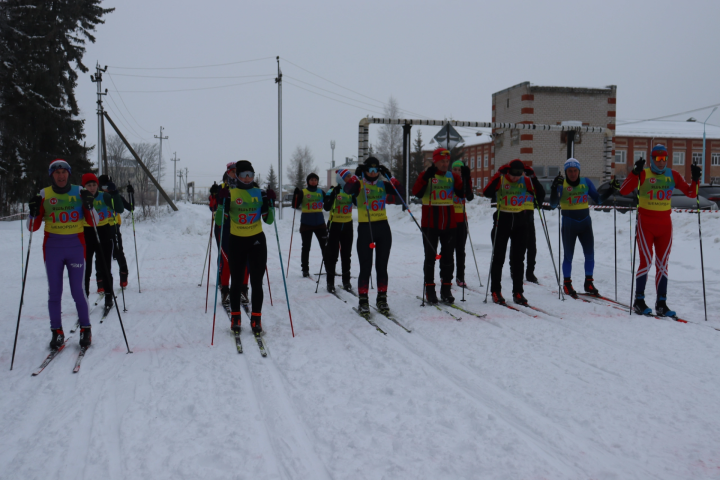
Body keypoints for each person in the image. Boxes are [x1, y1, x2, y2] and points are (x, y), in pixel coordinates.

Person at [620, 144, 701, 316]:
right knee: (646, 261)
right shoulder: (644, 174)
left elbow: (691, 193)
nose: (662, 162)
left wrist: (695, 179)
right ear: (652, 159)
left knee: (663, 264)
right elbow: (624, 189)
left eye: (664, 158)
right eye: (658, 159)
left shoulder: (673, 175)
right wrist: (635, 173)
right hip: (646, 223)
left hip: (665, 224)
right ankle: (639, 300)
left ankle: (661, 303)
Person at [27, 160, 97, 349]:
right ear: (52, 175)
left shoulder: (79, 191)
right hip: (52, 248)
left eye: (64, 172)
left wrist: (89, 205)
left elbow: (94, 223)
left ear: (69, 174)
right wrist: (32, 211)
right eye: (57, 172)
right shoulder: (44, 194)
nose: (60, 176)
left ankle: (85, 329)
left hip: (76, 246)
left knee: (77, 290)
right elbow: (32, 227)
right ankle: (56, 332)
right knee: (54, 292)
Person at [216, 160, 275, 333]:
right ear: (238, 176)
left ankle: (256, 319)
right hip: (237, 241)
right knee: (236, 282)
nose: (247, 178)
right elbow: (220, 220)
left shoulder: (260, 193)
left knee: (257, 282)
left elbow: (269, 220)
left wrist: (270, 203)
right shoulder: (231, 193)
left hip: (256, 241)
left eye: (250, 175)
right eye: (243, 175)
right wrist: (221, 202)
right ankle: (236, 317)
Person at [549, 158, 617, 298]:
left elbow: (598, 199)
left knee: (590, 254)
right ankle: (567, 283)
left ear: (579, 171)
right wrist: (554, 188)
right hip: (569, 223)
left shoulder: (586, 182)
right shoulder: (562, 184)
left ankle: (589, 282)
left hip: (585, 223)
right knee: (568, 255)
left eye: (575, 171)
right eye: (570, 171)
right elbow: (553, 204)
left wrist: (611, 190)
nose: (573, 174)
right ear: (566, 172)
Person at [342, 156, 402, 313]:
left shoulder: (383, 184)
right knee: (365, 266)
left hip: (383, 228)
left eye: (377, 170)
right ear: (365, 170)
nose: (374, 173)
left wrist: (391, 176)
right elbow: (347, 190)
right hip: (365, 228)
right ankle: (363, 300)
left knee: (382, 266)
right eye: (370, 170)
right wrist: (356, 175)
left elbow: (401, 193)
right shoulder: (359, 184)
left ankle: (382, 299)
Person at [482, 159, 545, 305]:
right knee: (498, 258)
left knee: (518, 260)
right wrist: (498, 174)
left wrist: (533, 177)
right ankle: (495, 291)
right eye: (513, 175)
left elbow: (540, 194)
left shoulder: (526, 181)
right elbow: (487, 192)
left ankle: (518, 292)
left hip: (520, 222)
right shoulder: (503, 178)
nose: (515, 178)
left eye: (518, 175)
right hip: (502, 220)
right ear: (508, 171)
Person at [411, 147, 469, 304]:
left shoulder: (452, 176)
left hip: (449, 223)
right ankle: (430, 289)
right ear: (435, 161)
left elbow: (463, 194)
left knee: (448, 258)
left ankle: (446, 289)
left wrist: (466, 179)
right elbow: (416, 193)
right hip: (430, 222)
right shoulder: (426, 175)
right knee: (430, 257)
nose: (445, 164)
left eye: (447, 161)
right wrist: (425, 178)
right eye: (442, 161)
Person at [81, 173, 124, 312]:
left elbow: (119, 209)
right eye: (89, 185)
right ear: (84, 186)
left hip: (104, 232)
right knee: (85, 270)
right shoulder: (80, 197)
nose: (92, 188)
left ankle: (108, 297)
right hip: (87, 233)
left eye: (94, 185)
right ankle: (84, 298)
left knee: (105, 267)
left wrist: (115, 193)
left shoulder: (103, 196)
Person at [98, 174, 133, 289]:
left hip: (113, 226)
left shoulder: (114, 195)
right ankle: (101, 281)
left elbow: (131, 208)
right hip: (99, 228)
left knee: (118, 252)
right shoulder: (97, 196)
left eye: (107, 186)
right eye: (103, 186)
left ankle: (123, 277)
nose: (105, 188)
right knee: (100, 255)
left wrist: (130, 194)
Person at [323, 170, 354, 293]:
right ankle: (330, 282)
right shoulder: (334, 190)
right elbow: (326, 207)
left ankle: (346, 281)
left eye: (350, 176)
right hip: (334, 225)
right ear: (341, 178)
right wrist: (332, 196)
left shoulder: (352, 190)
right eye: (347, 176)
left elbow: (359, 202)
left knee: (346, 255)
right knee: (332, 255)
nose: (350, 178)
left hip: (347, 225)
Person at [292, 173, 327, 278]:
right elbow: (295, 205)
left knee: (325, 246)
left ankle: (328, 266)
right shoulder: (303, 192)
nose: (313, 181)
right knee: (306, 247)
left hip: (320, 223)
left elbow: (328, 205)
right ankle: (305, 269)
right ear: (308, 182)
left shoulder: (321, 192)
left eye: (315, 180)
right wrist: (296, 195)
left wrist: (332, 195)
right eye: (311, 180)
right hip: (307, 223)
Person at [450, 159, 474, 288]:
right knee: (447, 250)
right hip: (449, 220)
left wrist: (467, 177)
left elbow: (470, 195)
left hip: (461, 221)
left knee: (460, 250)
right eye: (455, 170)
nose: (457, 172)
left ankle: (460, 276)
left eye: (459, 170)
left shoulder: (464, 182)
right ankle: (446, 276)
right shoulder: (448, 181)